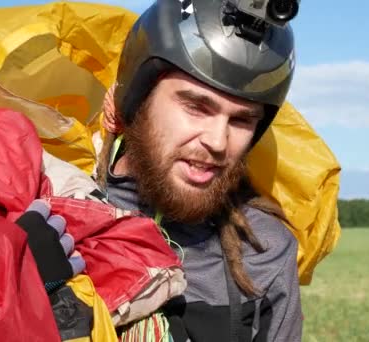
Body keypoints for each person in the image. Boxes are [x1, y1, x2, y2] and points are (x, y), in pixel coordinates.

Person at [97, 0, 302, 340]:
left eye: (241, 120)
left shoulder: (264, 250)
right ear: (137, 99)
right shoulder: (59, 219)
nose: (219, 142)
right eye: (196, 107)